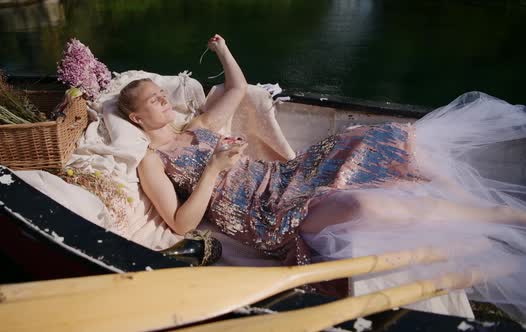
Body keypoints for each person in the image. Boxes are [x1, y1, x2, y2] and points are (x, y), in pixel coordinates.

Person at [118, 34, 526, 320]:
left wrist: (222, 50)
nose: (163, 98)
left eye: (161, 92)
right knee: (361, 205)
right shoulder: (152, 160)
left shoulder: (199, 125)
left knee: (379, 134)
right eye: (153, 99)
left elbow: (238, 89)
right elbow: (180, 222)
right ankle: (486, 218)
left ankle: (490, 210)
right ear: (137, 118)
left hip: (284, 175)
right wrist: (214, 169)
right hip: (262, 213)